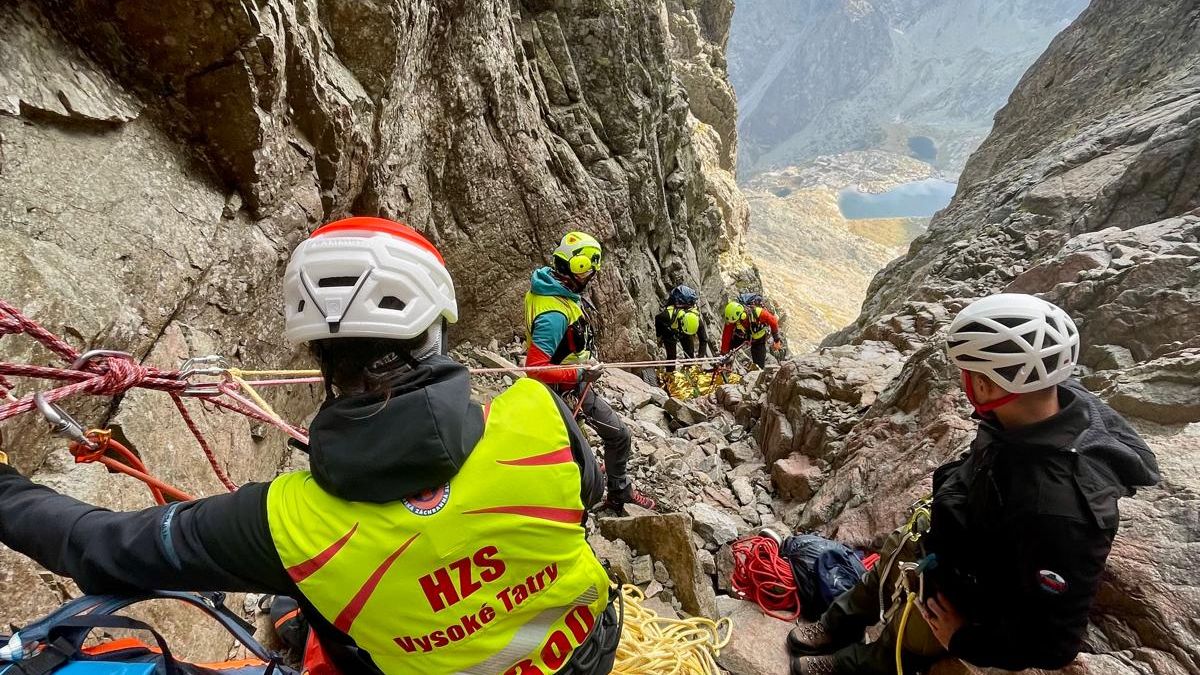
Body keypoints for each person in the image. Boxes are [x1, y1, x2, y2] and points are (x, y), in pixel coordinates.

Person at [0, 217, 622, 675]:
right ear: (435, 327)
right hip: (586, 657)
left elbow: (98, 545)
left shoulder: (284, 525)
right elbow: (580, 498)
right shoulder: (539, 420)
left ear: (319, 355)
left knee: (306, 608)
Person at [788, 293, 1160, 675]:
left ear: (986, 386)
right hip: (955, 530)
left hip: (971, 581)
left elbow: (1055, 643)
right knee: (886, 565)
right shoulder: (1053, 400)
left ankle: (851, 664)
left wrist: (961, 639)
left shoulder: (1060, 511)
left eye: (968, 372)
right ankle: (837, 623)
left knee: (913, 631)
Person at [524, 231, 656, 512]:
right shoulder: (554, 313)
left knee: (578, 449)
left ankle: (587, 483)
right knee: (619, 436)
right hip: (565, 390)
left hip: (568, 386)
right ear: (578, 267)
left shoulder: (551, 288)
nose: (592, 276)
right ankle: (613, 495)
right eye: (589, 271)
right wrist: (580, 374)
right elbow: (534, 370)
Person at [654, 284, 709, 372]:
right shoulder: (667, 316)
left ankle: (688, 372)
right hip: (670, 330)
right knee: (671, 357)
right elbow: (658, 320)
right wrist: (660, 335)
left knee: (689, 355)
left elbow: (704, 339)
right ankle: (670, 376)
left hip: (681, 330)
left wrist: (700, 359)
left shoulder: (695, 319)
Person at [720, 298, 782, 369]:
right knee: (728, 352)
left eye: (735, 322)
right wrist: (723, 353)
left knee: (759, 364)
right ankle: (726, 367)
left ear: (742, 316)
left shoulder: (758, 313)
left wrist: (777, 340)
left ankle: (757, 373)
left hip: (758, 339)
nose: (732, 324)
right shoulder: (731, 319)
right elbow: (726, 337)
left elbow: (773, 321)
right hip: (741, 335)